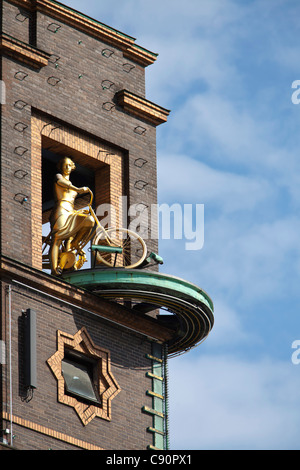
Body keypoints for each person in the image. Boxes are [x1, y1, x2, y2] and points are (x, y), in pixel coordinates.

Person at [49, 157, 95, 275]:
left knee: (89, 220)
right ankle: (54, 269)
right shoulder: (58, 177)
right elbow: (61, 183)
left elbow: (72, 203)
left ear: (73, 167)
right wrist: (78, 190)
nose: (67, 168)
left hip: (70, 211)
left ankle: (75, 243)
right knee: (57, 238)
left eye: (70, 165)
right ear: (60, 166)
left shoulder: (71, 185)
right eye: (65, 165)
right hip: (61, 210)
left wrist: (77, 212)